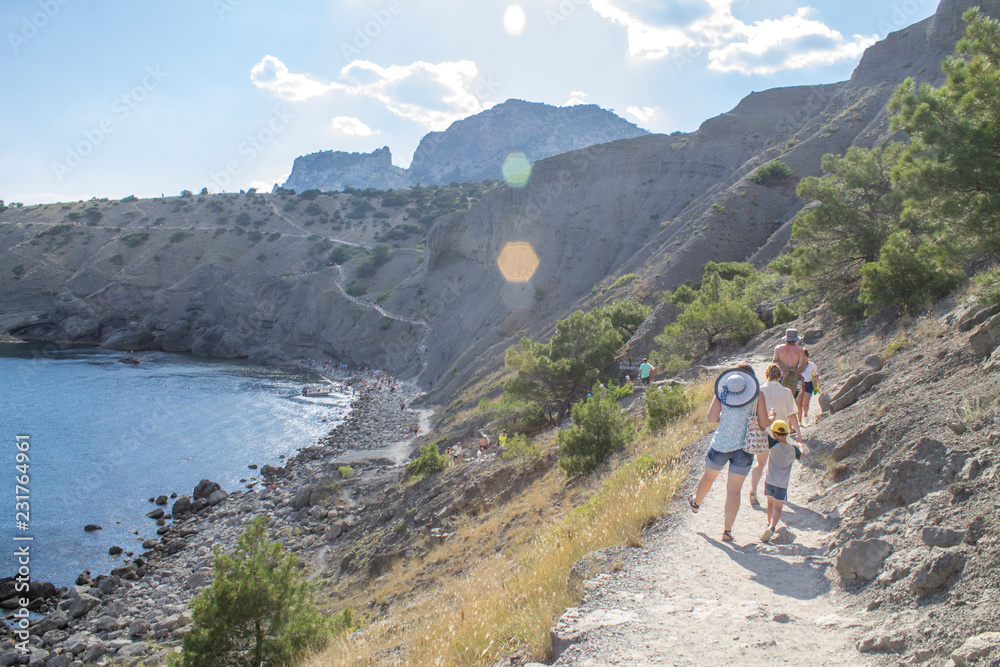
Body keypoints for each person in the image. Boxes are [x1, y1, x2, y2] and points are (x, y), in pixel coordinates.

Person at [687, 364, 769, 542]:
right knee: (733, 490)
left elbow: (711, 418)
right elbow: (763, 423)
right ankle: (727, 531)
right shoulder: (757, 395)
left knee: (708, 477)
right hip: (745, 448)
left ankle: (696, 504)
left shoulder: (723, 392)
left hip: (721, 444)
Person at [749, 364, 802, 505]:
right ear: (780, 377)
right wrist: (799, 434)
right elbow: (792, 416)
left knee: (760, 463)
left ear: (766, 375)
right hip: (781, 434)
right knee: (780, 466)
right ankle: (779, 494)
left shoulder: (759, 390)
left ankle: (753, 491)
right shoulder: (786, 392)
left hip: (762, 433)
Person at [760, 419, 806, 543]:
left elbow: (763, 430)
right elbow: (802, 455)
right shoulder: (793, 449)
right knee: (778, 508)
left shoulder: (773, 444)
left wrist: (770, 416)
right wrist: (800, 445)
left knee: (769, 504)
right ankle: (772, 527)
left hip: (770, 480)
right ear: (787, 434)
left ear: (774, 434)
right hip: (782, 484)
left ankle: (768, 524)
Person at [773, 328, 807, 395]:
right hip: (792, 380)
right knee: (790, 401)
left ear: (786, 338)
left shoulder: (778, 349)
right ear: (796, 339)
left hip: (780, 378)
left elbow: (774, 365)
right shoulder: (800, 350)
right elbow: (801, 368)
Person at [797, 349, 820, 426]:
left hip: (808, 384)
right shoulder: (797, 365)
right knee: (798, 404)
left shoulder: (811, 365)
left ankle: (805, 414)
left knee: (805, 404)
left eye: (805, 357)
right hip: (799, 385)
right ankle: (799, 422)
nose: (803, 359)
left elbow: (817, 374)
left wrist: (815, 381)